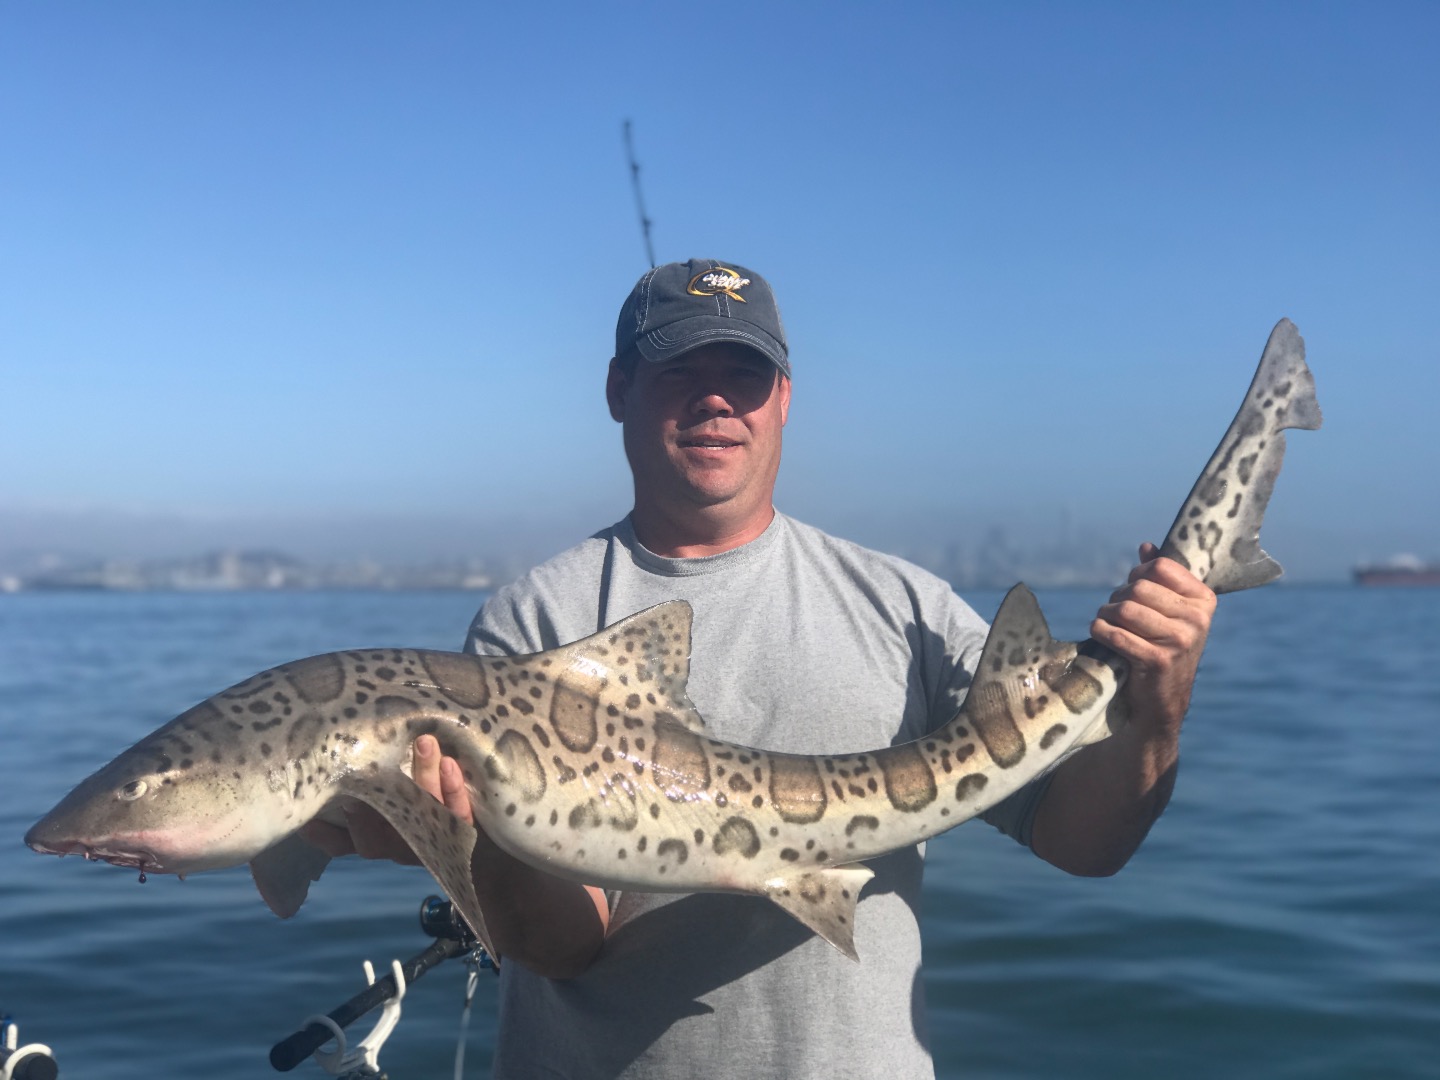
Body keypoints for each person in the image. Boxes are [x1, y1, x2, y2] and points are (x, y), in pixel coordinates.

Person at [304, 259, 1216, 1078]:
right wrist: (472, 839)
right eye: (678, 373)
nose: (714, 402)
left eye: (743, 375)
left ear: (784, 399)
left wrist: (1157, 705)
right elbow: (565, 946)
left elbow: (1085, 844)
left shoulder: (907, 608)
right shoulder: (537, 621)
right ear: (619, 389)